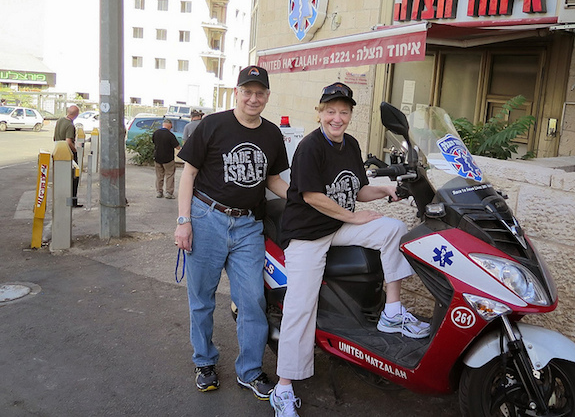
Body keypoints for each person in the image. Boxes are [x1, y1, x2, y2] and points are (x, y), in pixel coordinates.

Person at [269, 83, 430, 417]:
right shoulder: (310, 148)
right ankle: (283, 386)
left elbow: (356, 190)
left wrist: (385, 190)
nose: (337, 118)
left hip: (337, 224)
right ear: (320, 112)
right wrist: (353, 218)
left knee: (393, 230)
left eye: (343, 112)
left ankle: (392, 313)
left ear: (350, 115)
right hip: (307, 233)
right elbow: (312, 196)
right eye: (331, 111)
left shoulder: (351, 144)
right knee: (301, 306)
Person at [174, 65, 289, 397]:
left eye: (260, 93)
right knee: (202, 299)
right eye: (247, 91)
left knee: (252, 299)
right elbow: (188, 174)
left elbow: (273, 180)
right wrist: (184, 221)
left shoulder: (271, 134)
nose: (253, 98)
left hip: (248, 227)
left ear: (267, 96)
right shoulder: (212, 124)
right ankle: (205, 362)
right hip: (207, 218)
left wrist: (301, 198)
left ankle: (250, 370)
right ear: (237, 92)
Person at [53, 104, 82, 208]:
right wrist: (75, 150)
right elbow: (68, 141)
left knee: (62, 178)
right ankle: (73, 201)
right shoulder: (70, 125)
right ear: (76, 114)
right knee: (75, 178)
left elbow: (54, 137)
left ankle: (61, 200)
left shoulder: (60, 121)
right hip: (68, 154)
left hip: (58, 152)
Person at [152, 118, 180, 199]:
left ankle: (159, 192)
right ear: (170, 125)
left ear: (163, 125)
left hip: (157, 157)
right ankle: (169, 192)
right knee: (169, 175)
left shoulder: (156, 133)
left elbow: (153, 142)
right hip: (168, 159)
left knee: (159, 175)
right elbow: (177, 147)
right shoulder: (170, 135)